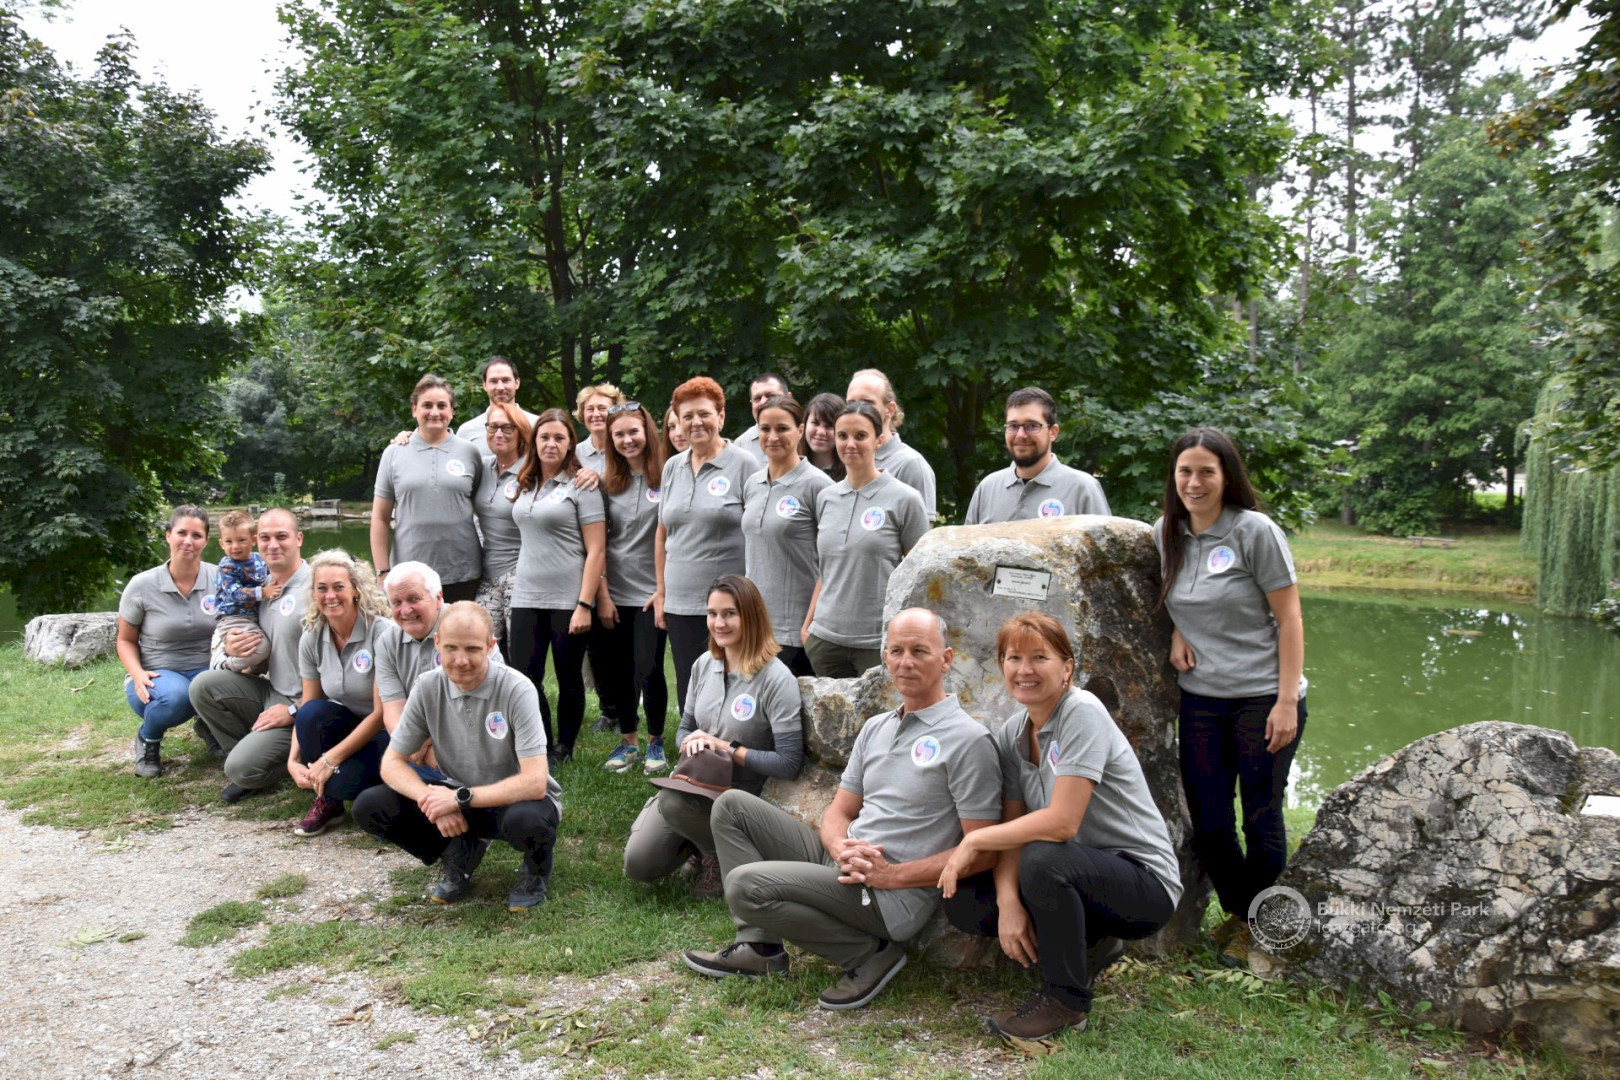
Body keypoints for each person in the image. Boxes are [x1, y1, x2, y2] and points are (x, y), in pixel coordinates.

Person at [682, 609, 1000, 1012]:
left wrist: (891, 875)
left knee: (745, 885)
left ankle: (869, 955)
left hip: (889, 895)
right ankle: (760, 949)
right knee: (731, 807)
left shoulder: (969, 740)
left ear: (946, 659)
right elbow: (839, 811)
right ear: (885, 658)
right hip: (842, 862)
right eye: (896, 651)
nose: (906, 662)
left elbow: (982, 851)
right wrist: (839, 846)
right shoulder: (877, 727)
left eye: (920, 651)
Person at [937, 613, 1181, 1041]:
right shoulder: (1013, 733)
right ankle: (1091, 942)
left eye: (1039, 657)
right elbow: (1015, 825)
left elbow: (1062, 823)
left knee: (1044, 857)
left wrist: (974, 840)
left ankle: (1065, 1002)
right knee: (968, 901)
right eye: (1013, 658)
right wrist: (1009, 904)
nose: (1024, 669)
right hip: (1080, 872)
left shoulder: (1082, 712)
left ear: (1067, 667)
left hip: (1143, 882)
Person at [1154, 427, 1306, 966]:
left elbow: (1290, 618)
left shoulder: (1254, 531)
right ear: (1174, 477)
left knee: (1260, 817)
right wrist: (1178, 629)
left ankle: (1263, 929)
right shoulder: (1166, 533)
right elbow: (1180, 595)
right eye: (1185, 471)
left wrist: (1285, 702)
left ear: (1226, 476)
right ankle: (1243, 914)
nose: (1194, 483)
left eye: (1206, 472)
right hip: (1202, 700)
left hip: (1262, 696)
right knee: (1210, 822)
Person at [353, 602, 563, 912]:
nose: (461, 660)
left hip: (513, 801)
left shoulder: (518, 689)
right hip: (456, 794)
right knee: (370, 805)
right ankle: (458, 850)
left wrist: (458, 799)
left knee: (527, 821)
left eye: (472, 649)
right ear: (438, 643)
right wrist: (430, 799)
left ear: (490, 646)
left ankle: (536, 871)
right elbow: (392, 763)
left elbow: (534, 783)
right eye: (451, 648)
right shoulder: (427, 686)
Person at [624, 576, 804, 895]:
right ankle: (699, 842)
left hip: (737, 797)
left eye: (729, 614)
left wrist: (727, 748)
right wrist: (690, 740)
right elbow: (684, 730)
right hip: (693, 782)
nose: (718, 623)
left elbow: (789, 763)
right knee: (638, 864)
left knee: (673, 802)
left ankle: (718, 856)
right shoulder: (703, 665)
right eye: (712, 614)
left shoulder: (777, 679)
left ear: (751, 616)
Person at [190, 508, 312, 802]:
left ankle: (282, 761)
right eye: (266, 538)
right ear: (257, 541)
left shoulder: (316, 590)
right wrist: (231, 651)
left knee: (240, 769)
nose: (273, 545)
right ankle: (248, 749)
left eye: (281, 536)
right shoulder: (263, 588)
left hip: (306, 704)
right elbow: (235, 633)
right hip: (272, 689)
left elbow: (338, 673)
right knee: (202, 686)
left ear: (298, 539)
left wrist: (294, 710)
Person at [801, 402, 930, 678]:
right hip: (825, 641)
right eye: (842, 436)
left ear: (879, 440)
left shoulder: (905, 499)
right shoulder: (826, 498)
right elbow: (827, 569)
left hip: (877, 642)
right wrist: (808, 626)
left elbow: (920, 575)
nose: (850, 444)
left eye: (860, 436)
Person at [508, 408, 607, 765]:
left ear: (570, 444)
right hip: (525, 595)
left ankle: (564, 748)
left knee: (568, 676)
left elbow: (597, 550)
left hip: (568, 598)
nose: (551, 444)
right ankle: (542, 743)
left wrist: (585, 604)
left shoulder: (582, 485)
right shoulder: (525, 484)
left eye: (559, 438)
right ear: (534, 442)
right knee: (524, 675)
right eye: (544, 437)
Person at [654, 376, 755, 711]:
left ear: (721, 417)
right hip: (680, 602)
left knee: (730, 684)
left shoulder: (745, 465)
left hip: (728, 605)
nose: (695, 422)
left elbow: (757, 533)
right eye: (687, 416)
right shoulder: (672, 467)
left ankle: (728, 743)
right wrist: (661, 592)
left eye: (704, 413)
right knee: (689, 683)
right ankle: (692, 742)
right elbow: (663, 533)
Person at [287, 550, 394, 838]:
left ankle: (379, 788)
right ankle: (328, 803)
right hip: (349, 726)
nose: (330, 596)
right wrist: (293, 760)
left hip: (387, 730)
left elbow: (380, 714)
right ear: (313, 593)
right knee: (312, 713)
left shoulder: (381, 633)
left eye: (339, 587)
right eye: (322, 588)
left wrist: (330, 759)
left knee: (342, 782)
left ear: (356, 590)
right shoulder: (312, 637)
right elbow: (308, 704)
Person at [119, 505, 221, 778]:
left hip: (207, 670)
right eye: (181, 533)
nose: (188, 541)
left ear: (206, 540)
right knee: (178, 697)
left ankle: (211, 726)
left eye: (196, 535)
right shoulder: (141, 585)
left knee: (237, 688)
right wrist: (137, 674)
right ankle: (148, 741)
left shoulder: (220, 578)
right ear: (168, 535)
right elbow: (125, 640)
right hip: (157, 674)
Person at [596, 402, 671, 774]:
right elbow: (597, 541)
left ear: (647, 432)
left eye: (633, 432)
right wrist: (603, 593)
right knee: (619, 671)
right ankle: (628, 742)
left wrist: (663, 588)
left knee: (650, 668)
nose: (627, 440)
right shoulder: (606, 483)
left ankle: (656, 741)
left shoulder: (669, 474)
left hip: (652, 592)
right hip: (615, 592)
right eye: (619, 435)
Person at [372, 373, 485, 604]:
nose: (435, 412)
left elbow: (482, 509)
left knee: (460, 627)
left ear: (452, 411)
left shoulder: (469, 452)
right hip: (409, 573)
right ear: (414, 409)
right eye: (427, 405)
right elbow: (380, 518)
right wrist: (382, 571)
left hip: (462, 571)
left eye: (442, 406)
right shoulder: (394, 453)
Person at [741, 395, 831, 676]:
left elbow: (832, 562)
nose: (772, 437)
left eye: (782, 428)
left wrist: (811, 623)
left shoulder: (819, 486)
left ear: (800, 430)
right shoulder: (752, 484)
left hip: (798, 630)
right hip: (756, 626)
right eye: (765, 429)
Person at [963, 388, 1110, 525]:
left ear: (1053, 432)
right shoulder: (987, 489)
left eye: (1032, 426)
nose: (1020, 435)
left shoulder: (1082, 488)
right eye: (1013, 426)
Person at [472, 402, 530, 646]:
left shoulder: (533, 470)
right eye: (493, 427)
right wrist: (407, 437)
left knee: (519, 649)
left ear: (521, 432)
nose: (498, 433)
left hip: (522, 572)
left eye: (507, 428)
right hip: (487, 572)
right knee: (480, 643)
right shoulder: (482, 466)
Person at [846, 368, 936, 518]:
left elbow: (923, 531)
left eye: (867, 403)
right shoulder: (848, 456)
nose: (857, 410)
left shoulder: (910, 464)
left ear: (890, 409)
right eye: (851, 403)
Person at [208, 509, 272, 676]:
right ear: (221, 544)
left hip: (254, 617)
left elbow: (270, 575)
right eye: (229, 541)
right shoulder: (226, 566)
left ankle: (251, 673)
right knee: (262, 647)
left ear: (253, 540)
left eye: (241, 540)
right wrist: (263, 592)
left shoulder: (260, 559)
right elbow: (235, 593)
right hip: (233, 619)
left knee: (266, 656)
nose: (235, 546)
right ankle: (226, 665)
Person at [456, 356, 540, 453]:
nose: (500, 387)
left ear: (517, 383)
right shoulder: (467, 432)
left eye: (505, 380)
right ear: (484, 385)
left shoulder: (537, 426)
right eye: (493, 381)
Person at [731, 371, 790, 467]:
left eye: (771, 396)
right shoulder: (741, 444)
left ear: (789, 398)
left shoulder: (806, 437)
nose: (763, 402)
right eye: (757, 398)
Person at [573, 382, 626, 478]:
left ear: (616, 412)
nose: (596, 414)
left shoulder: (626, 449)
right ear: (582, 414)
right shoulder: (574, 455)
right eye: (590, 409)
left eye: (602, 408)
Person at [800, 392, 846, 482]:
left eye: (829, 425)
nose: (820, 432)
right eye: (815, 423)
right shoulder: (790, 467)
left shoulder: (852, 474)